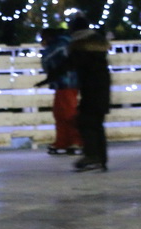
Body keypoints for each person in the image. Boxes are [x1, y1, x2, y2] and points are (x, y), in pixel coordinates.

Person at [63, 21, 112, 173]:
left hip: (91, 91)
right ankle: (100, 158)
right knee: (97, 125)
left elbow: (68, 65)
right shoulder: (98, 47)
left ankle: (92, 156)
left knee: (86, 123)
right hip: (101, 90)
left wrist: (49, 77)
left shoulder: (80, 48)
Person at [36, 27, 81, 156]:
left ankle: (75, 141)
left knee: (68, 113)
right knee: (60, 113)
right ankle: (63, 141)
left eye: (43, 39)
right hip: (61, 83)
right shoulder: (62, 43)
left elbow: (51, 59)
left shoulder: (60, 45)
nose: (42, 42)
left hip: (67, 82)